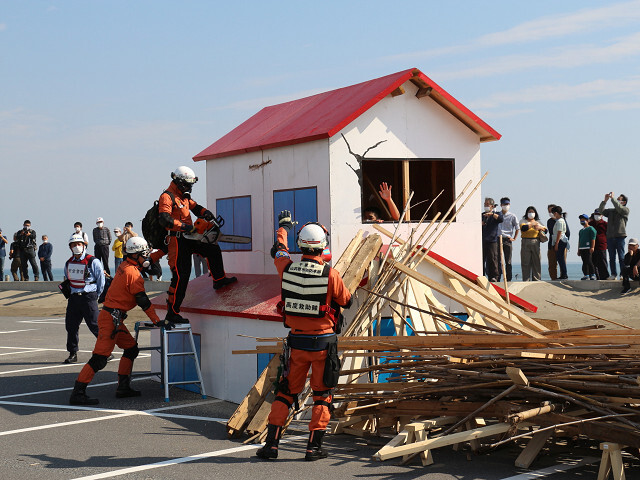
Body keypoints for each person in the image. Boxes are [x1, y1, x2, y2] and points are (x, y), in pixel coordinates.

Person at [256, 211, 352, 461]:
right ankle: (313, 448)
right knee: (322, 395)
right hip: (324, 343)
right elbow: (347, 301)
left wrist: (283, 227)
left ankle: (271, 446)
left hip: (297, 344)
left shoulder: (285, 267)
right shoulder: (331, 274)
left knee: (286, 393)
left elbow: (278, 249)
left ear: (300, 246)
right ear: (324, 246)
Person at [68, 237, 167, 405]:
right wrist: (157, 320)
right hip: (111, 319)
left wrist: (163, 251)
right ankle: (78, 392)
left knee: (131, 349)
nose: (147, 257)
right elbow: (143, 301)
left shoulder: (126, 265)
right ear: (136, 256)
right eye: (145, 254)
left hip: (114, 317)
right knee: (99, 358)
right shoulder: (133, 273)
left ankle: (123, 387)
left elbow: (148, 260)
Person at [159, 166, 236, 323]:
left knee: (212, 248)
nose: (189, 188)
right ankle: (172, 313)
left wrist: (206, 213)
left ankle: (219, 279)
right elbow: (164, 219)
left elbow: (196, 208)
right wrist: (186, 226)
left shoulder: (184, 196)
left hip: (190, 237)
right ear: (179, 182)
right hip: (177, 239)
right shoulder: (167, 197)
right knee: (181, 276)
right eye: (187, 185)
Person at [63, 233, 104, 364]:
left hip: (89, 297)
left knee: (95, 326)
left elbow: (100, 281)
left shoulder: (93, 261)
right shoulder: (68, 263)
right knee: (71, 326)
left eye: (79, 244)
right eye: (73, 245)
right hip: (74, 298)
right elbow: (68, 279)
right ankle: (73, 353)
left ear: (84, 245)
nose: (76, 247)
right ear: (70, 247)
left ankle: (105, 352)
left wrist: (95, 296)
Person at [598, 192, 630, 280]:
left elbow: (619, 208)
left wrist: (613, 199)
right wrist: (605, 200)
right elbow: (601, 211)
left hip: (620, 236)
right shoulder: (611, 211)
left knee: (621, 257)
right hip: (610, 237)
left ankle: (623, 274)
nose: (618, 200)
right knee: (612, 257)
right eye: (617, 199)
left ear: (624, 202)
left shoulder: (625, 210)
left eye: (619, 199)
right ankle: (613, 274)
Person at [519, 206, 547, 281]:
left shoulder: (538, 221)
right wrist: (532, 224)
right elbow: (523, 228)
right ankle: (526, 279)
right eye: (529, 212)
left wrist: (540, 227)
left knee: (536, 261)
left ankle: (536, 278)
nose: (531, 213)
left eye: (532, 212)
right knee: (525, 261)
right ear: (526, 213)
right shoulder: (523, 220)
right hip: (525, 241)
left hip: (535, 241)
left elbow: (545, 230)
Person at [481, 197, 504, 282]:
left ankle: (494, 276)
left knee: (493, 259)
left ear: (492, 206)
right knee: (482, 260)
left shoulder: (496, 214)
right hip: (483, 240)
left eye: (487, 204)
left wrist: (492, 214)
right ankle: (482, 276)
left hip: (492, 240)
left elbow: (501, 219)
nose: (485, 206)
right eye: (484, 204)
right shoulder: (482, 215)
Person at [497, 197, 519, 281]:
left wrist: (514, 238)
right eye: (504, 204)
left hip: (507, 239)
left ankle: (508, 278)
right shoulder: (498, 214)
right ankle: (498, 277)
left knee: (508, 260)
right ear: (501, 205)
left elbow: (517, 228)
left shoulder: (512, 216)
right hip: (498, 238)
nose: (506, 206)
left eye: (507, 204)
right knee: (498, 259)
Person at [589, 209, 609, 280]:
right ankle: (596, 277)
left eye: (598, 214)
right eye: (595, 214)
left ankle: (605, 277)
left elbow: (609, 234)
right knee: (593, 262)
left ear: (602, 215)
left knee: (602, 262)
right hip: (592, 246)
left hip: (602, 245)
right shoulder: (591, 224)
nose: (597, 216)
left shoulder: (605, 224)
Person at [551, 206, 569, 280]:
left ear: (555, 213)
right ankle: (563, 274)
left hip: (560, 241)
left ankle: (564, 274)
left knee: (560, 258)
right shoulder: (559, 220)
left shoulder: (560, 221)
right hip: (559, 240)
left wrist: (557, 243)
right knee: (559, 258)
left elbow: (559, 232)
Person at [577, 214, 596, 280]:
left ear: (587, 220)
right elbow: (579, 241)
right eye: (581, 220)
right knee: (584, 262)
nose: (582, 221)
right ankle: (586, 275)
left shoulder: (591, 229)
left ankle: (593, 274)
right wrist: (578, 250)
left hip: (588, 247)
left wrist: (592, 247)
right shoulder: (581, 231)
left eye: (583, 220)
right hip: (582, 248)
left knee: (589, 261)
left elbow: (593, 238)